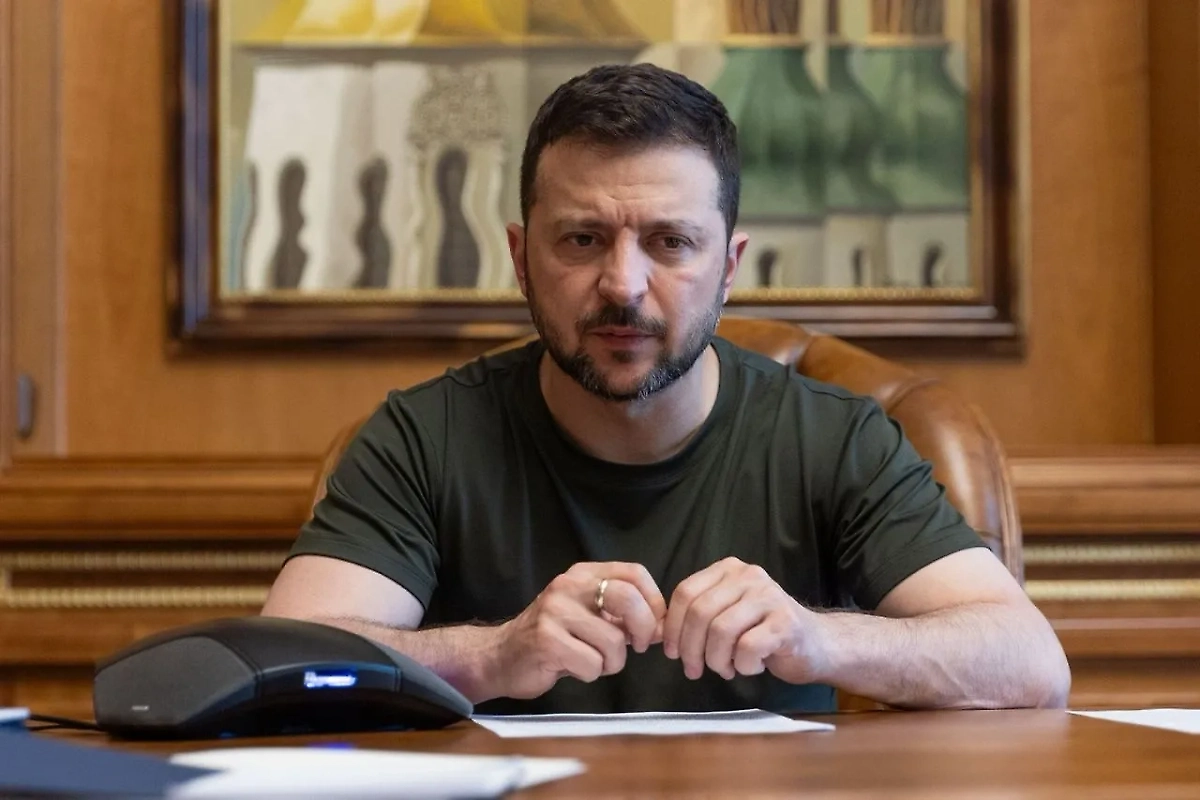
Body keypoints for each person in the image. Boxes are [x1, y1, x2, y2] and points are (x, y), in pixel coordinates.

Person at [262, 63, 1070, 715]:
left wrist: (819, 639)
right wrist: (492, 655)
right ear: (520, 258)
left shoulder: (833, 438)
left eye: (670, 242)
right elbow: (281, 663)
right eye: (582, 239)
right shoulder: (422, 436)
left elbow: (1030, 664)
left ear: (729, 266)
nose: (623, 284)